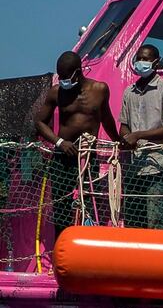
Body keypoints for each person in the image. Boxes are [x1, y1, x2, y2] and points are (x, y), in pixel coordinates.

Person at [35, 51, 123, 239]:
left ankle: (84, 250)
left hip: (87, 159)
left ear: (77, 72)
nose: (64, 80)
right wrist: (60, 143)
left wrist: (118, 140)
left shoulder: (99, 89)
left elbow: (106, 118)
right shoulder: (56, 92)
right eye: (61, 77)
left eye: (67, 76)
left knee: (87, 205)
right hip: (62, 158)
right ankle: (62, 249)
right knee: (61, 207)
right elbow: (40, 122)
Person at [119, 45, 163, 229]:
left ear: (156, 62)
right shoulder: (128, 92)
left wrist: (138, 136)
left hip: (158, 166)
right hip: (133, 168)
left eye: (146, 59)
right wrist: (126, 138)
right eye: (139, 58)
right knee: (132, 221)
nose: (141, 63)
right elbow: (124, 126)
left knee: (157, 221)